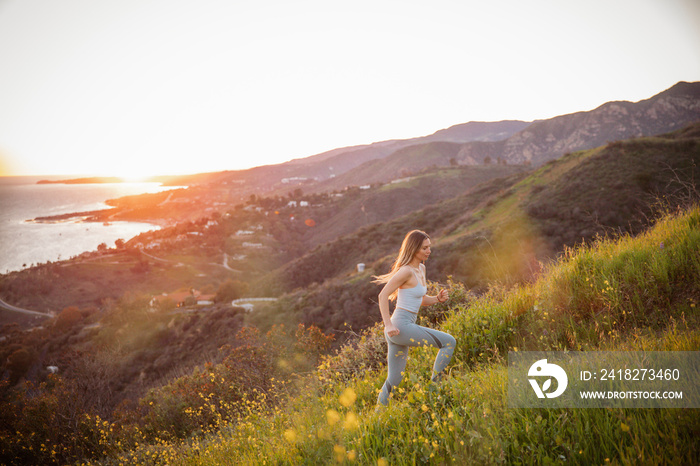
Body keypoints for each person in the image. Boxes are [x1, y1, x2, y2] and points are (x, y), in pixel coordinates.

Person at [373, 230, 456, 406]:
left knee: (394, 380)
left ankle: (376, 418)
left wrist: (436, 299)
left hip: (402, 327)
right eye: (425, 248)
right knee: (449, 342)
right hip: (399, 326)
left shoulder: (421, 268)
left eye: (429, 247)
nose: (429, 251)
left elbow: (420, 299)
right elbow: (382, 296)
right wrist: (387, 326)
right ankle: (437, 392)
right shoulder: (406, 271)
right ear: (414, 249)